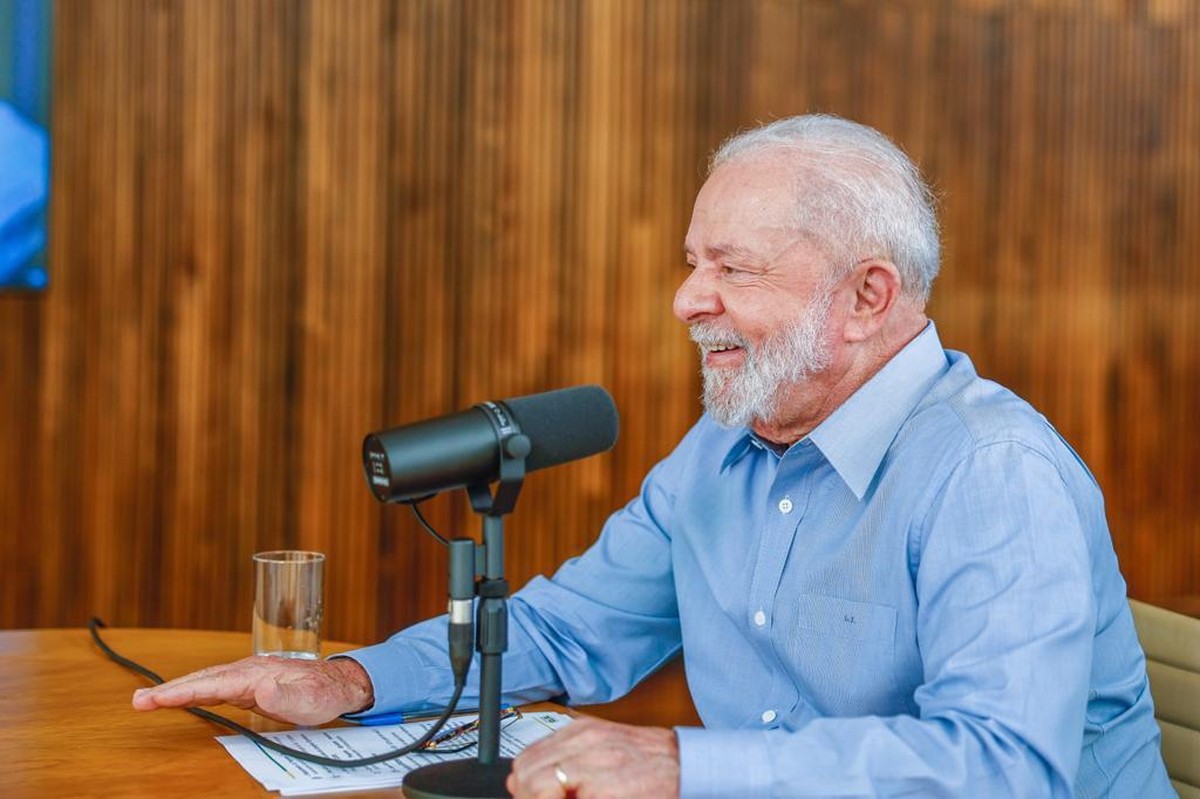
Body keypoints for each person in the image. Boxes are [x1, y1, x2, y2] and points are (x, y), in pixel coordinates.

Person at [133, 114, 1172, 798]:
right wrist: (352, 682)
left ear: (867, 298)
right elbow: (568, 631)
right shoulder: (721, 448)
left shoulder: (994, 473)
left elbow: (1003, 770)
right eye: (692, 262)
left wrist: (682, 762)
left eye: (734, 267)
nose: (686, 300)